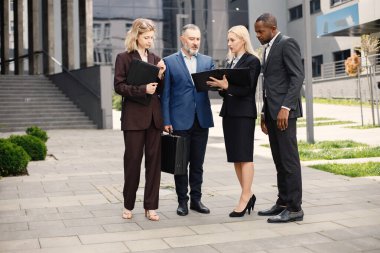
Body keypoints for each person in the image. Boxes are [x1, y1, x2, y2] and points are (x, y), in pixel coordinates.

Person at [114, 18, 166, 221]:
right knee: (133, 162)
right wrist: (142, 89)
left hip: (154, 118)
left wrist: (161, 75)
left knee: (154, 164)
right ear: (136, 36)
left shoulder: (155, 58)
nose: (150, 41)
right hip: (134, 119)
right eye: (146, 37)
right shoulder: (124, 58)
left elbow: (159, 90)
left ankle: (151, 207)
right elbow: (119, 87)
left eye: (152, 37)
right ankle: (128, 204)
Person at [254, 13, 304, 223]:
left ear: (273, 28)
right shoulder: (268, 48)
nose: (257, 35)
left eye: (261, 31)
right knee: (279, 160)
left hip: (285, 113)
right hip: (273, 113)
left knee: (289, 160)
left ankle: (294, 208)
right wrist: (265, 112)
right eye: (256, 31)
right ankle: (283, 202)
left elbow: (297, 76)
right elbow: (270, 85)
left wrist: (285, 107)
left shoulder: (287, 43)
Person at [206, 25, 261, 217]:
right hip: (229, 113)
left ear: (243, 40)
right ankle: (249, 193)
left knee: (245, 156)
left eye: (232, 40)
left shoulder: (252, 61)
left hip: (244, 114)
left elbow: (248, 90)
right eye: (228, 40)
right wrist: (220, 87)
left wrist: (227, 86)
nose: (229, 44)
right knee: (236, 157)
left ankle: (245, 197)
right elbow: (229, 90)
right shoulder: (231, 62)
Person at [161, 24, 214, 216]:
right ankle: (182, 201)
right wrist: (166, 119)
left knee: (198, 164)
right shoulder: (169, 62)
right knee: (180, 164)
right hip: (179, 121)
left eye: (198, 39)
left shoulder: (208, 62)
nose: (195, 42)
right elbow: (165, 95)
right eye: (192, 39)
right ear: (182, 39)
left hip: (201, 120)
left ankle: (196, 200)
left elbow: (216, 86)